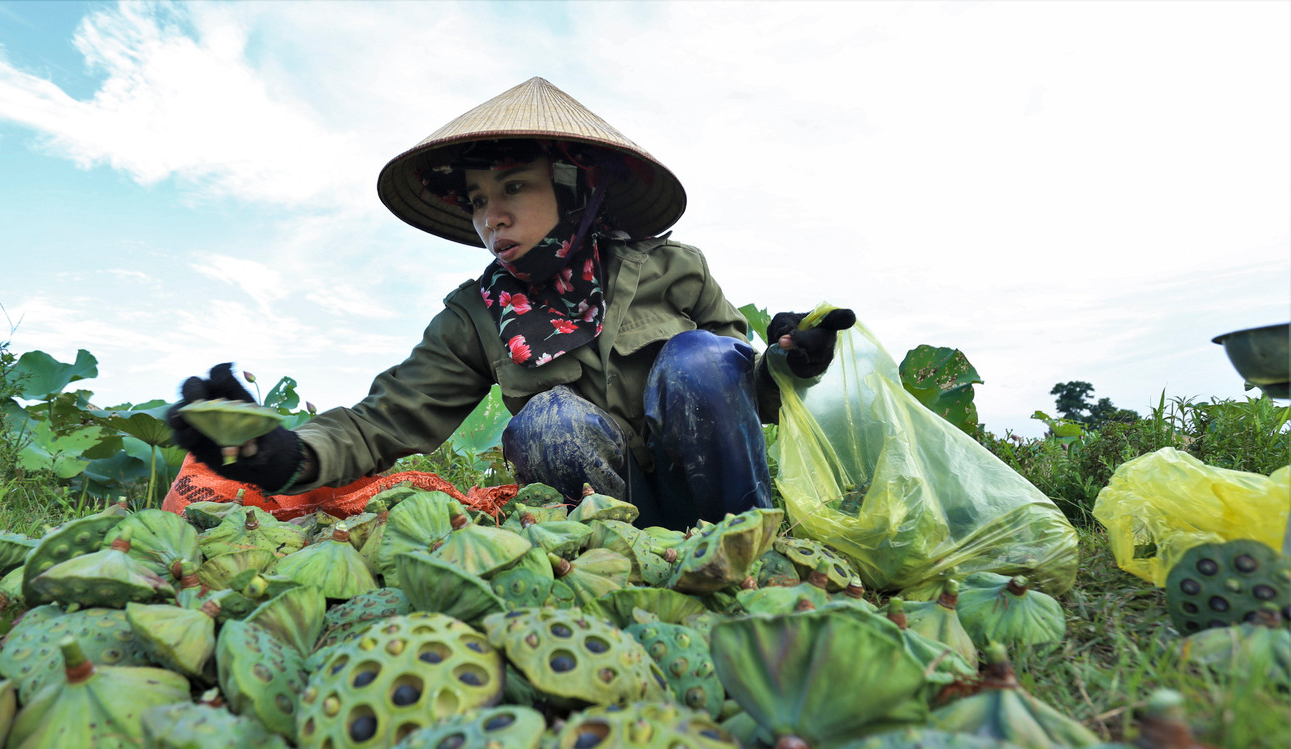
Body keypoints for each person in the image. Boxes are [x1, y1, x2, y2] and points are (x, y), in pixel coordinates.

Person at [168, 77, 854, 531]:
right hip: (611, 527)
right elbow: (382, 422)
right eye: (475, 201)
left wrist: (794, 362)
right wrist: (285, 452)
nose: (490, 218)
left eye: (513, 188)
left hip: (723, 503)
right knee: (546, 419)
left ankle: (752, 552)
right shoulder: (475, 315)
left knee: (703, 357)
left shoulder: (673, 269)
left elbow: (754, 395)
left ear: (573, 186)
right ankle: (620, 566)